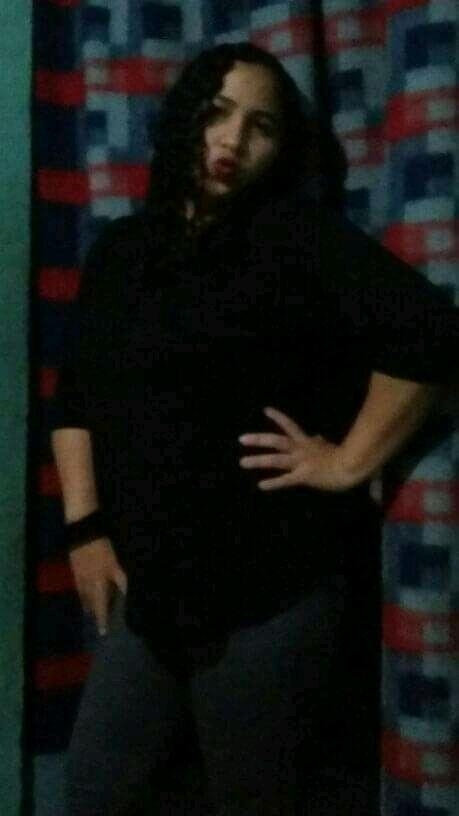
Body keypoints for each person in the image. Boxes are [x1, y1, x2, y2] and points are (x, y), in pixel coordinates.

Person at [51, 42, 458, 815]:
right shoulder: (123, 252)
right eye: (217, 113)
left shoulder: (295, 238)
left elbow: (430, 334)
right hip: (148, 593)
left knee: (253, 799)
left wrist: (346, 461)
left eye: (260, 126)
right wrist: (84, 530)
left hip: (271, 597)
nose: (233, 140)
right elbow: (76, 399)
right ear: (185, 119)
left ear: (281, 146)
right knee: (97, 792)